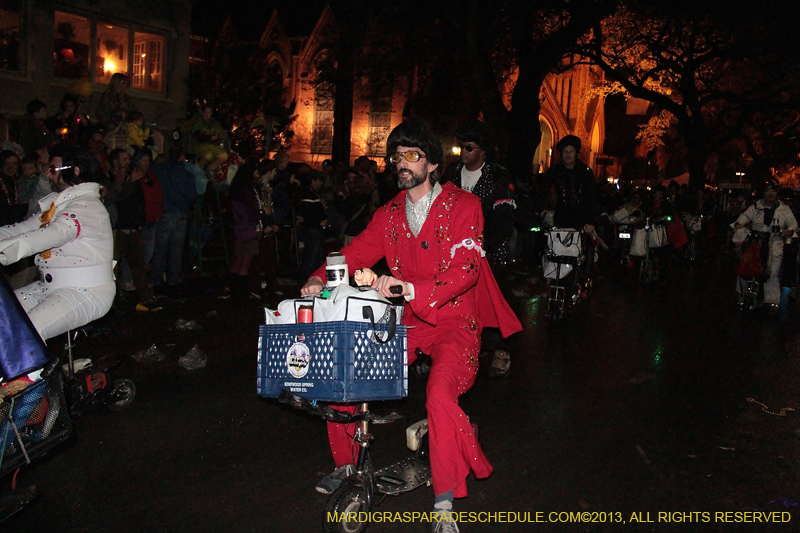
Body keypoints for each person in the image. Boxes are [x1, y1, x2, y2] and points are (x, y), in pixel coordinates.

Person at [301, 118, 521, 532]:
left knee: (439, 396)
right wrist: (318, 276)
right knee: (349, 375)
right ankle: (348, 467)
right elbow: (356, 252)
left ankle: (443, 503)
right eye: (395, 156)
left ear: (433, 164)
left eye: (411, 155)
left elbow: (467, 270)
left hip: (457, 322)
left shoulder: (465, 207)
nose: (400, 163)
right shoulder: (388, 215)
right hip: (409, 324)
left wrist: (408, 287)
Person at [0, 146, 115, 341]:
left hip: (85, 292)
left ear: (75, 171)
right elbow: (22, 229)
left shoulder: (87, 207)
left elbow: (50, 235)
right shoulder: (60, 204)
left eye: (53, 170)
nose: (47, 173)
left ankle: (34, 371)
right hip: (50, 287)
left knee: (24, 336)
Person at [441, 120, 524, 377]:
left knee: (492, 301)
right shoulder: (451, 174)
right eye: (461, 147)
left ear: (483, 151)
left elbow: (504, 219)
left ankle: (500, 349)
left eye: (469, 148)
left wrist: (482, 246)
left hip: (489, 251)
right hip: (453, 252)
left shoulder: (498, 177)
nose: (463, 153)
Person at [733, 180, 797, 315]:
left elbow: (793, 224)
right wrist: (740, 224)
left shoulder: (784, 209)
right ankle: (743, 295)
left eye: (773, 191)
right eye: (768, 191)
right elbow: (742, 219)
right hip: (756, 244)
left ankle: (772, 302)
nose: (770, 194)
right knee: (746, 269)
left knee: (772, 273)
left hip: (775, 243)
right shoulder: (755, 207)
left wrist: (788, 231)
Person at [104, 148, 156, 310]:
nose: (128, 162)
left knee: (138, 264)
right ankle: (109, 301)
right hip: (117, 230)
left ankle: (145, 296)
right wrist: (129, 182)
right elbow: (113, 199)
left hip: (133, 228)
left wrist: (140, 221)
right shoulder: (108, 178)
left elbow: (139, 201)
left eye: (128, 158)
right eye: (124, 159)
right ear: (115, 161)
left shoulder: (131, 177)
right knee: (111, 266)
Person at [149, 146, 197, 288]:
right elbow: (192, 196)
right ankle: (173, 278)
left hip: (164, 213)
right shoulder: (186, 174)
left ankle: (155, 279)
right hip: (180, 213)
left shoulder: (159, 170)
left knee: (160, 249)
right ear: (181, 157)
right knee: (176, 249)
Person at [296, 172, 327, 281]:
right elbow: (308, 213)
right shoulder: (308, 195)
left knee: (315, 255)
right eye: (319, 180)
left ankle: (312, 277)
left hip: (316, 228)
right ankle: (306, 278)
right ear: (313, 181)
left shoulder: (314, 194)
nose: (321, 183)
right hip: (312, 229)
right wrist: (318, 222)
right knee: (311, 256)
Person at [181, 106, 228, 172]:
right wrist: (205, 136)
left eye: (209, 112)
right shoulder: (196, 120)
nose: (206, 114)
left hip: (209, 144)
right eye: (205, 112)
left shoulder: (214, 123)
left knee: (223, 155)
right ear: (202, 112)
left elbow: (223, 134)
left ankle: (209, 170)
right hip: (196, 144)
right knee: (208, 154)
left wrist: (218, 136)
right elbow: (186, 129)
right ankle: (197, 170)